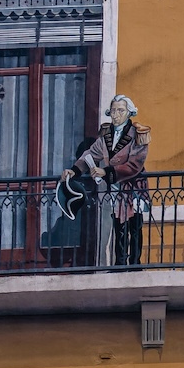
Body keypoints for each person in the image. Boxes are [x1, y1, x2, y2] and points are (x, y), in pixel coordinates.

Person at [68, 95, 150, 266]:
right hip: (116, 188)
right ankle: (120, 263)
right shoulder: (106, 136)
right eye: (113, 110)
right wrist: (74, 170)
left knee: (134, 227)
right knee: (119, 227)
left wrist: (105, 172)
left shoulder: (138, 135)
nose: (116, 114)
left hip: (134, 188)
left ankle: (135, 264)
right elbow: (90, 155)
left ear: (129, 113)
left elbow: (135, 164)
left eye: (120, 110)